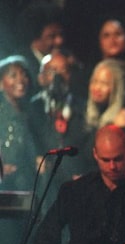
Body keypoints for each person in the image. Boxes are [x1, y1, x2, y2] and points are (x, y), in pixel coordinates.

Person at [28, 50, 87, 206]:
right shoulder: (34, 106)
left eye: (64, 71)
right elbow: (29, 138)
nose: (57, 77)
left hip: (75, 178)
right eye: (52, 71)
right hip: (46, 181)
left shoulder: (82, 106)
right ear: (41, 78)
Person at [0, 55, 37, 191]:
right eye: (13, 76)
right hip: (4, 182)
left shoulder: (29, 111)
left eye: (23, 74)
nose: (20, 80)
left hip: (23, 180)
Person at [16, 2, 65, 93]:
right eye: (52, 36)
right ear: (35, 39)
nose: (59, 41)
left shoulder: (66, 58)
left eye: (60, 34)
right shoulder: (21, 66)